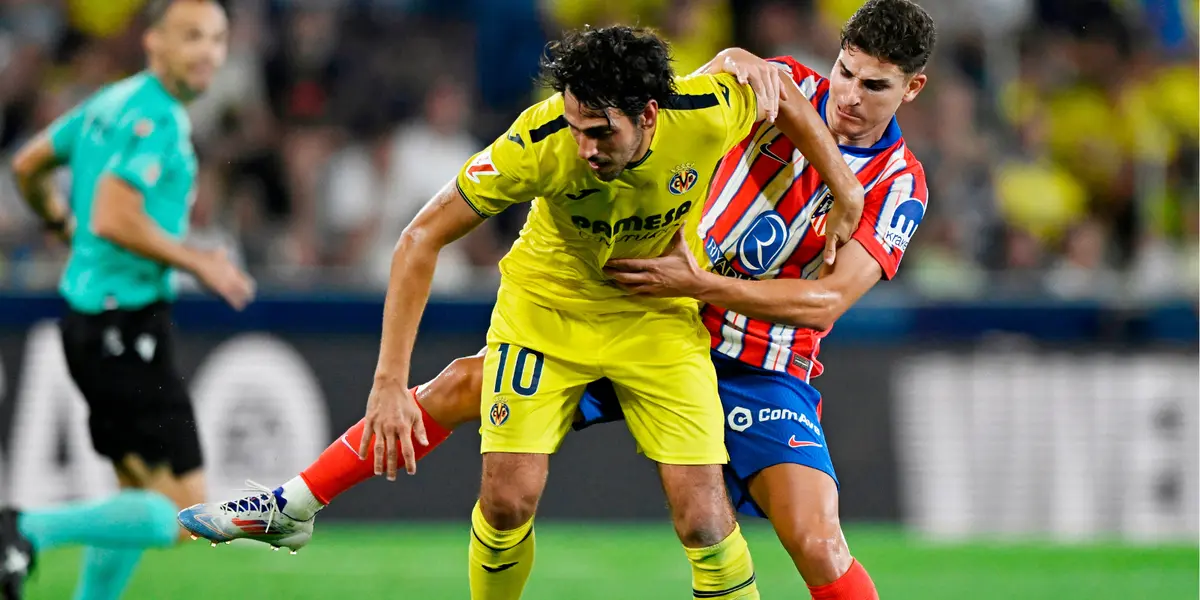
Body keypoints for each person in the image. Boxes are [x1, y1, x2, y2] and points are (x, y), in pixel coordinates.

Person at [183, 24, 866, 600]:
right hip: (546, 311)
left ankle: (293, 505)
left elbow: (788, 109)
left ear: (650, 116)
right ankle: (294, 506)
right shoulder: (540, 142)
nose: (585, 146)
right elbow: (421, 237)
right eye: (575, 126)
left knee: (705, 523)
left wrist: (845, 191)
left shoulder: (706, 113)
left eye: (600, 131)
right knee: (508, 500)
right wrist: (387, 381)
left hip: (654, 318)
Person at [0, 2, 254, 599]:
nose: (208, 52)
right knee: (188, 515)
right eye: (191, 37)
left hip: (92, 322)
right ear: (154, 42)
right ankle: (25, 528)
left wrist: (61, 220)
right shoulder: (157, 117)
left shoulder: (109, 103)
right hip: (125, 324)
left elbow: (28, 164)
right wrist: (200, 261)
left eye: (217, 39)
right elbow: (115, 214)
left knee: (135, 494)